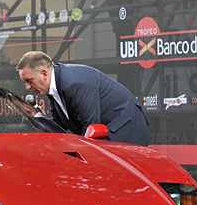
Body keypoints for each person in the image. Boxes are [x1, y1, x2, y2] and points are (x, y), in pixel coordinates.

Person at [16, 51, 150, 146]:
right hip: (107, 132)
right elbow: (59, 128)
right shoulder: (53, 87)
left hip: (125, 128)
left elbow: (91, 127)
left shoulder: (75, 84)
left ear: (44, 74)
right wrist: (36, 115)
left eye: (29, 80)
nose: (27, 87)